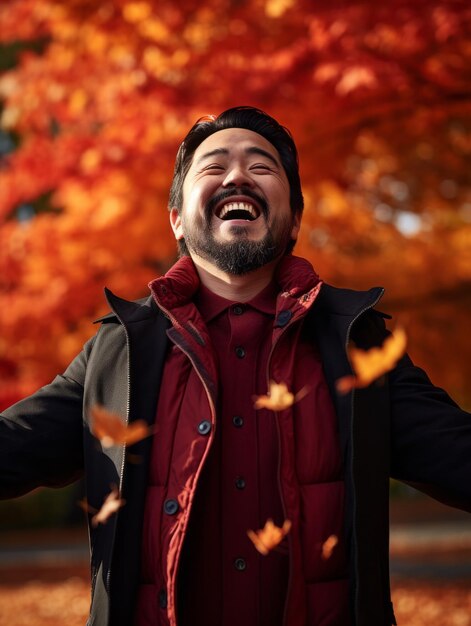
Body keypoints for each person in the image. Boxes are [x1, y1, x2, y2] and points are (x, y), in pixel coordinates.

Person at [1, 106, 470, 626]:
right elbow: (13, 447)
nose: (238, 175)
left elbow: (457, 455)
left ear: (294, 219)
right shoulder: (119, 352)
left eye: (261, 166)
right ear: (177, 218)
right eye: (214, 165)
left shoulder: (355, 340)